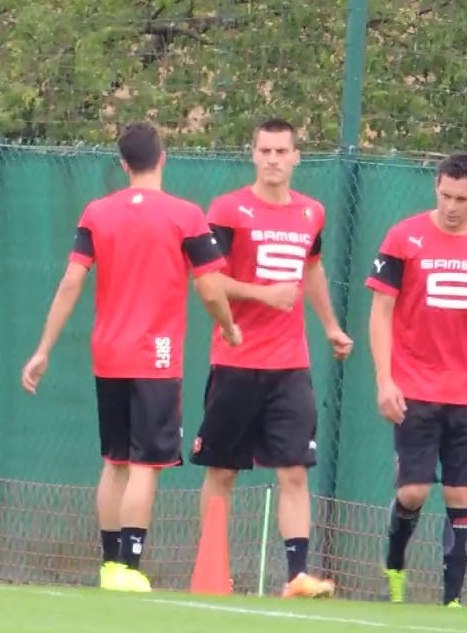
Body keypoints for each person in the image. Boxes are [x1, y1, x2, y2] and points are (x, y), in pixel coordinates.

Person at [21, 121, 241, 594]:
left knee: (114, 460)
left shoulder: (97, 213)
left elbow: (70, 282)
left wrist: (43, 349)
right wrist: (227, 325)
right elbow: (209, 289)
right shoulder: (186, 215)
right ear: (163, 157)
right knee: (145, 465)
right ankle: (130, 566)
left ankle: (110, 565)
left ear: (123, 164)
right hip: (155, 356)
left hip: (108, 352)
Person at [188, 118, 353, 598]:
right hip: (236, 359)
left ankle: (297, 576)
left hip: (290, 365)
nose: (274, 159)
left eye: (283, 151)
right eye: (266, 150)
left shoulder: (311, 213)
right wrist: (263, 294)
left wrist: (331, 327)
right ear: (253, 154)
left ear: (296, 156)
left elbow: (312, 272)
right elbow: (210, 280)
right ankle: (212, 569)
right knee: (222, 470)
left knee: (295, 471)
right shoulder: (228, 209)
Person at [364, 152, 467, 608]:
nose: (451, 206)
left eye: (461, 198)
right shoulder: (403, 236)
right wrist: (384, 380)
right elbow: (381, 311)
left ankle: (452, 601)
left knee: (459, 491)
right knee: (413, 492)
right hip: (413, 386)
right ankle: (395, 565)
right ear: (435, 186)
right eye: (445, 195)